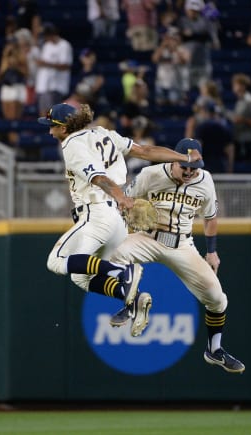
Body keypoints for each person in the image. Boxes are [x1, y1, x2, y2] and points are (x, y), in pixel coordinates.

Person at [38, 103, 203, 337]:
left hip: (98, 213)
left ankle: (121, 272)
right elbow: (145, 151)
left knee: (55, 261)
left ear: (64, 128)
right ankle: (131, 299)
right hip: (117, 221)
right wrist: (184, 158)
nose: (49, 131)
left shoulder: (72, 144)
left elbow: (98, 177)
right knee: (80, 277)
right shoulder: (103, 134)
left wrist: (120, 196)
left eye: (52, 126)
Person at [108, 138, 246, 373]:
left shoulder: (205, 181)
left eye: (195, 168)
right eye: (185, 167)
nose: (190, 172)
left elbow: (210, 217)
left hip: (182, 245)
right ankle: (132, 302)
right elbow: (122, 201)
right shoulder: (151, 174)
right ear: (174, 159)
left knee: (217, 298)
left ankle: (214, 350)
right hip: (147, 238)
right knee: (110, 253)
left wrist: (211, 252)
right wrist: (127, 211)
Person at [35, 22, 72, 116]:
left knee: (53, 114)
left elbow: (65, 66)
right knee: (43, 114)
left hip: (56, 85)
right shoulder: (46, 46)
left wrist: (46, 64)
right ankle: (45, 131)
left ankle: (53, 130)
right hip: (43, 85)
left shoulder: (64, 45)